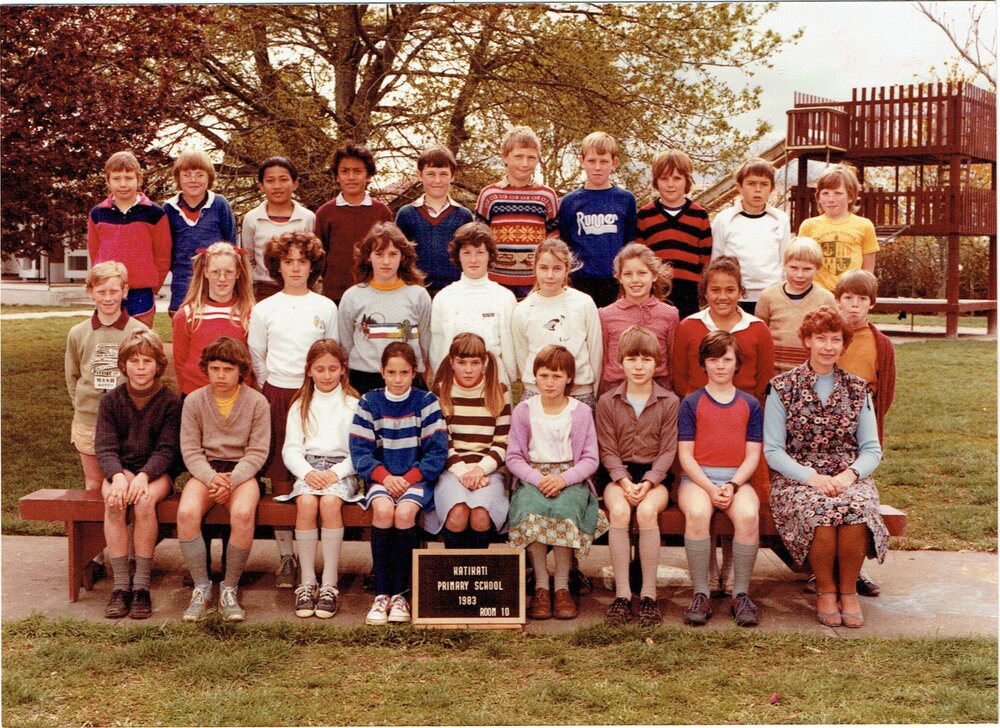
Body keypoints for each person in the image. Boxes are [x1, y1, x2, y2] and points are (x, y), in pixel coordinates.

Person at [765, 306, 888, 628]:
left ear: (844, 345)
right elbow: (774, 451)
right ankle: (825, 590)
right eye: (821, 338)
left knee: (856, 508)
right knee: (819, 509)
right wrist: (812, 478)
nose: (828, 346)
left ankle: (848, 591)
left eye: (835, 339)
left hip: (848, 475)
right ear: (807, 340)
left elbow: (872, 449)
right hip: (798, 477)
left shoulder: (857, 389)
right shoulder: (782, 387)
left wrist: (850, 475)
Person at [248, 231, 338, 588]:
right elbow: (257, 355)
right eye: (289, 262)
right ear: (278, 266)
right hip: (278, 394)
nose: (296, 268)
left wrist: (314, 387)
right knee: (281, 475)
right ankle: (287, 555)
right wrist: (273, 388)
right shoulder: (265, 308)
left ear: (313, 265)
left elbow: (332, 350)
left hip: (315, 394)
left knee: (313, 469)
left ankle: (316, 556)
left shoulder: (325, 306)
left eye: (303, 261)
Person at [350, 343, 449, 625]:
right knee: (383, 511)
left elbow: (437, 452)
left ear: (414, 372)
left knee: (405, 513)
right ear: (382, 371)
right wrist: (385, 477)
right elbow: (360, 451)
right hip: (383, 477)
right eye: (391, 372)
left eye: (404, 373)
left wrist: (409, 478)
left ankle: (401, 594)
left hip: (415, 479)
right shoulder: (369, 402)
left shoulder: (426, 401)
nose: (397, 379)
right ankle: (381, 594)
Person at [507, 344, 607, 620]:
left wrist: (563, 479)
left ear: (569, 378)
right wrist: (537, 479)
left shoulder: (580, 412)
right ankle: (541, 584)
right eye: (544, 375)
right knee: (532, 509)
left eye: (557, 376)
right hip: (534, 478)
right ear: (535, 377)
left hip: (569, 478)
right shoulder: (524, 411)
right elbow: (514, 457)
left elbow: (590, 459)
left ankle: (562, 586)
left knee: (564, 510)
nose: (549, 382)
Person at [178, 337, 270, 622]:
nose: (220, 375)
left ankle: (229, 588)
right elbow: (190, 450)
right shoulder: (194, 400)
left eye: (228, 369)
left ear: (241, 370)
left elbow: (258, 451)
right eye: (215, 368)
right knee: (186, 512)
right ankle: (202, 588)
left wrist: (232, 480)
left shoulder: (257, 402)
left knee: (242, 513)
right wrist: (211, 478)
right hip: (205, 471)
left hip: (242, 472)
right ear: (206, 368)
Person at [676, 330, 763, 627]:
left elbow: (752, 455)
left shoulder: (750, 404)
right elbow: (686, 455)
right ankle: (701, 593)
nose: (720, 366)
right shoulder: (691, 403)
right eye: (713, 360)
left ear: (737, 362)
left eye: (726, 359)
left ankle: (741, 594)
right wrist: (710, 488)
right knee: (698, 513)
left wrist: (733, 485)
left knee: (749, 516)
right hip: (697, 480)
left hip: (737, 480)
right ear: (703, 363)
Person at [95, 330, 182, 620]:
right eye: (134, 361)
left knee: (144, 502)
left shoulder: (170, 402)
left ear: (158, 365)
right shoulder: (111, 400)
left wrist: (144, 476)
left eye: (147, 361)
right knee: (114, 502)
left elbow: (168, 450)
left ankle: (142, 586)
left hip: (156, 473)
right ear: (123, 365)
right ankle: (121, 586)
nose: (141, 367)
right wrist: (118, 476)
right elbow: (105, 447)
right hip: (120, 470)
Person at [596, 326, 679, 626]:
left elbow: (668, 450)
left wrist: (647, 482)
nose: (639, 366)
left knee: (645, 512)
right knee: (619, 511)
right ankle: (621, 595)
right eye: (632, 359)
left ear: (657, 363)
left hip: (654, 477)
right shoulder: (608, 401)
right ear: (620, 362)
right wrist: (624, 481)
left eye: (646, 359)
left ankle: (648, 596)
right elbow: (607, 449)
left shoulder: (669, 401)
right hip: (618, 475)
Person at [279, 339, 363, 619]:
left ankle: (329, 583)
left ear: (343, 369)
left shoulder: (353, 405)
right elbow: (291, 450)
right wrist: (308, 473)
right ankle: (307, 582)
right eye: (320, 369)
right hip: (310, 468)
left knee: (329, 503)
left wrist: (335, 474)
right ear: (309, 371)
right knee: (305, 503)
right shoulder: (300, 405)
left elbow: (359, 451)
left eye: (332, 369)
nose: (327, 375)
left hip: (342, 469)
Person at [425, 333, 512, 548]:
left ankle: (477, 567)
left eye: (475, 363)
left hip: (488, 470)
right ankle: (454, 567)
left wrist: (479, 471)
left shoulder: (499, 391)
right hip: (452, 470)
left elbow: (502, 442)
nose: (468, 369)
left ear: (484, 363)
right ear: (451, 362)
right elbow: (442, 443)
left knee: (480, 514)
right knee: (458, 512)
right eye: (462, 362)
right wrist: (464, 473)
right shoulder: (440, 392)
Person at [338, 222, 433, 394]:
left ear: (402, 256)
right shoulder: (352, 297)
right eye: (379, 254)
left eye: (393, 254)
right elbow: (346, 346)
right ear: (368, 256)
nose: (386, 261)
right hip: (364, 380)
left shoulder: (418, 295)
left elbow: (425, 345)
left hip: (407, 381)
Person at [512, 237, 603, 410]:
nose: (550, 275)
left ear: (567, 269)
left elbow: (595, 353)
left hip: (579, 392)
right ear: (534, 268)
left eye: (557, 268)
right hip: (537, 394)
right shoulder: (522, 310)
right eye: (543, 268)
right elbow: (523, 358)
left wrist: (594, 393)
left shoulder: (583, 303)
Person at [672, 256, 774, 404]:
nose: (722, 297)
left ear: (740, 292)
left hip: (745, 410)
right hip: (698, 409)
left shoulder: (759, 329)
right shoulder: (687, 327)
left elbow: (764, 382)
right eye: (715, 290)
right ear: (705, 293)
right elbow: (680, 380)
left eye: (730, 290)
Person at [87, 151, 171, 327]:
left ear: (138, 179)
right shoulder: (97, 214)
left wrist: (153, 286)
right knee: (108, 338)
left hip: (141, 293)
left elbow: (163, 255)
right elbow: (95, 252)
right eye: (116, 178)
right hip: (109, 291)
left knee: (140, 340)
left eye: (128, 178)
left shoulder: (155, 213)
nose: (123, 184)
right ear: (108, 181)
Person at [430, 222, 518, 385]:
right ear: (458, 255)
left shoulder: (504, 297)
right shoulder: (444, 298)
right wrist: (442, 381)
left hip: (494, 381)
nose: (473, 259)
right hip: (453, 383)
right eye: (467, 252)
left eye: (480, 252)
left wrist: (507, 382)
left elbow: (509, 348)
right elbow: (437, 348)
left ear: (490, 255)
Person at [475, 126, 559, 298]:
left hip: (534, 282)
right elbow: (478, 239)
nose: (525, 163)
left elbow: (554, 239)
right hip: (495, 281)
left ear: (538, 159)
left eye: (531, 157)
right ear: (505, 157)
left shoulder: (547, 196)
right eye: (518, 156)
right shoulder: (489, 195)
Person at [558, 131, 637, 308]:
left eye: (604, 161)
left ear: (614, 163)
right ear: (581, 161)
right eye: (592, 161)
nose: (598, 167)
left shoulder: (626, 200)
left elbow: (630, 244)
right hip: (579, 281)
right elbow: (565, 245)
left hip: (616, 281)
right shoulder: (570, 202)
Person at [635, 149, 712, 318]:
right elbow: (641, 255)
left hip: (688, 291)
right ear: (656, 181)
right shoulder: (645, 215)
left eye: (677, 178)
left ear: (687, 181)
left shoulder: (699, 215)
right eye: (664, 179)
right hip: (655, 289)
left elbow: (705, 258)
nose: (670, 184)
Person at [172, 242, 255, 397]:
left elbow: (254, 362)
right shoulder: (187, 315)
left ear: (238, 273)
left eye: (228, 272)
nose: (222, 278)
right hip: (196, 395)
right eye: (215, 272)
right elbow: (180, 362)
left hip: (237, 396)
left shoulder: (249, 314)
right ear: (205, 272)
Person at [315, 142, 393, 303]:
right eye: (345, 171)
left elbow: (389, 253)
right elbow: (318, 256)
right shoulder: (325, 213)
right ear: (337, 176)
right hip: (335, 295)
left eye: (358, 171)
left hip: (375, 293)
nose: (351, 177)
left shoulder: (382, 212)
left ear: (368, 175)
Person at [710, 157, 791, 312]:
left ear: (772, 189)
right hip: (735, 297)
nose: (758, 189)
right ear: (739, 187)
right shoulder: (724, 219)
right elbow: (716, 261)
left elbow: (784, 261)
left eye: (764, 184)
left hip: (771, 296)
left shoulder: (781, 219)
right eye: (751, 183)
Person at [598, 243, 679, 397]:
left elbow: (672, 362)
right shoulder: (606, 315)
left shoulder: (669, 314)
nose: (635, 280)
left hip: (657, 394)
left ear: (654, 275)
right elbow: (602, 362)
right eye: (628, 274)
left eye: (642, 273)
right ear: (620, 278)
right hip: (616, 394)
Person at [163, 150, 238, 315]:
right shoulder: (169, 208)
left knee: (214, 319)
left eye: (199, 175)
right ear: (178, 178)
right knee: (181, 319)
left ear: (209, 177)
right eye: (187, 175)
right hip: (183, 280)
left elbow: (231, 245)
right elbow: (165, 249)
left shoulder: (220, 204)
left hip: (215, 279)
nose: (193, 180)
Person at [394, 146, 474, 296]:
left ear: (452, 176)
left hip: (454, 293)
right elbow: (397, 255)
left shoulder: (464, 216)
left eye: (443, 174)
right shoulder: (406, 214)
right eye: (431, 174)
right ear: (420, 175)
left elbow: (470, 257)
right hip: (414, 291)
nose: (437, 180)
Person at [754, 237, 835, 373]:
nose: (799, 275)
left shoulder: (826, 299)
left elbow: (832, 337)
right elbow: (759, 335)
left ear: (818, 269)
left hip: (811, 372)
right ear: (784, 265)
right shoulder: (768, 296)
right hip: (774, 371)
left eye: (807, 269)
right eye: (794, 268)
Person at [241, 156, 316, 301]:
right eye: (270, 180)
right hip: (263, 290)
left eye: (283, 179)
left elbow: (313, 257)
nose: (277, 186)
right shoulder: (252, 218)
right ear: (261, 185)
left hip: (300, 289)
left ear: (295, 184)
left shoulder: (307, 217)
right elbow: (248, 259)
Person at [798, 164, 879, 291]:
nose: (831, 199)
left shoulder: (865, 225)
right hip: (816, 294)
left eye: (838, 193)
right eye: (825, 193)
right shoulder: (808, 226)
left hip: (850, 294)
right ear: (818, 197)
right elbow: (801, 264)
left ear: (850, 196)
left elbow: (868, 271)